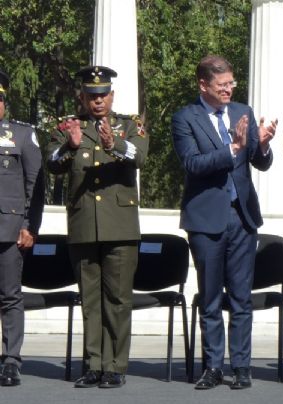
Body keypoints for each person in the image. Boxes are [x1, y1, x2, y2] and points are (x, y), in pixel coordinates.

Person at [172, 55, 276, 390]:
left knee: (242, 297)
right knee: (212, 297)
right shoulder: (185, 118)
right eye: (222, 85)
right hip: (206, 220)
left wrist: (262, 144)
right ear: (204, 85)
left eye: (231, 83)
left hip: (242, 217)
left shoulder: (242, 111)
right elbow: (193, 163)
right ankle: (213, 366)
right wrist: (233, 147)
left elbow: (259, 163)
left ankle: (242, 366)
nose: (229, 89)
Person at [47, 66, 149, 388]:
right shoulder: (68, 127)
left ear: (112, 96)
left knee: (118, 300)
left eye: (103, 94)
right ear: (82, 97)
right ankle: (93, 364)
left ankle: (115, 366)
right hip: (83, 226)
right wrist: (70, 146)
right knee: (90, 300)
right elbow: (51, 162)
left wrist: (114, 144)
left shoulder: (130, 125)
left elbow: (140, 156)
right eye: (91, 95)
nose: (98, 101)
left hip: (119, 227)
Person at [0, 69, 44, 387]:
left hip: (9, 228)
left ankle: (11, 360)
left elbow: (36, 186)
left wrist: (29, 226)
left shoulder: (21, 135)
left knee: (9, 295)